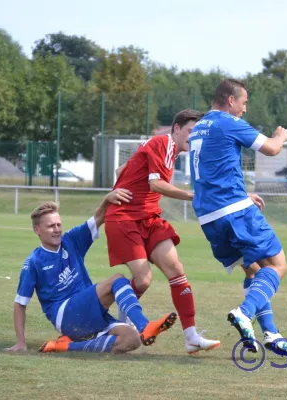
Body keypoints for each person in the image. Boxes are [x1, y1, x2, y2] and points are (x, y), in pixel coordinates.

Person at [188, 78, 287, 356]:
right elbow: (271, 149)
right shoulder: (228, 122)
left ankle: (271, 333)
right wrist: (281, 136)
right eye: (244, 103)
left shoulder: (199, 127)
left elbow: (214, 169)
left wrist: (243, 194)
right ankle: (244, 313)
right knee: (278, 265)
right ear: (230, 100)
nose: (245, 110)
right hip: (234, 213)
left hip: (208, 217)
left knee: (254, 272)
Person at [105, 109, 220, 355]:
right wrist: (191, 195)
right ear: (176, 128)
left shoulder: (167, 149)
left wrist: (125, 181)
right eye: (190, 131)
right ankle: (118, 324)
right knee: (144, 280)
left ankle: (191, 338)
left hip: (148, 218)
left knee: (176, 270)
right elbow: (155, 184)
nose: (194, 137)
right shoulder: (163, 143)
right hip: (124, 218)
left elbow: (120, 171)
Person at [6, 191, 178, 354]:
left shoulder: (71, 240)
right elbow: (20, 303)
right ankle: (144, 326)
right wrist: (21, 342)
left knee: (132, 340)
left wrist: (107, 199)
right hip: (65, 314)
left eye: (59, 224)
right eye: (51, 226)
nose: (57, 229)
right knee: (117, 279)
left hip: (90, 312)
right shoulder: (34, 262)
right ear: (37, 230)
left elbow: (98, 218)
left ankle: (66, 347)